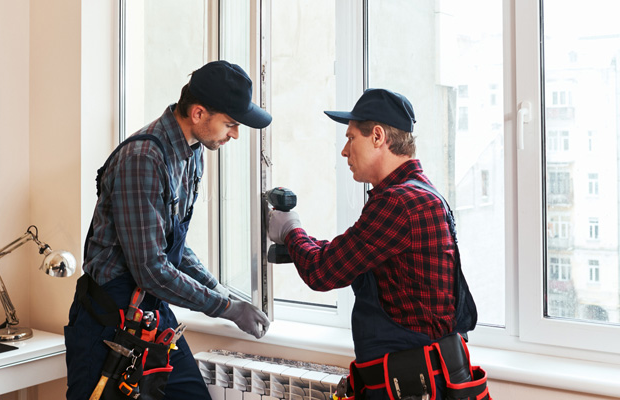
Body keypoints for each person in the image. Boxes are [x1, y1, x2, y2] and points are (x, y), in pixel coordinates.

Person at [65, 60, 271, 400]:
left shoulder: (192, 153)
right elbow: (151, 269)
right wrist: (226, 308)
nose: (234, 134)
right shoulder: (143, 158)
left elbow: (174, 246)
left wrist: (221, 292)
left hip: (151, 313)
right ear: (199, 113)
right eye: (230, 123)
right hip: (108, 321)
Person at [268, 89, 488, 400]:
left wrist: (290, 229)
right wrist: (297, 243)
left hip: (412, 384)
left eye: (350, 138)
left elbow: (323, 271)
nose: (344, 151)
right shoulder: (421, 194)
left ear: (378, 137)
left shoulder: (398, 203)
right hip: (422, 379)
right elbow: (348, 254)